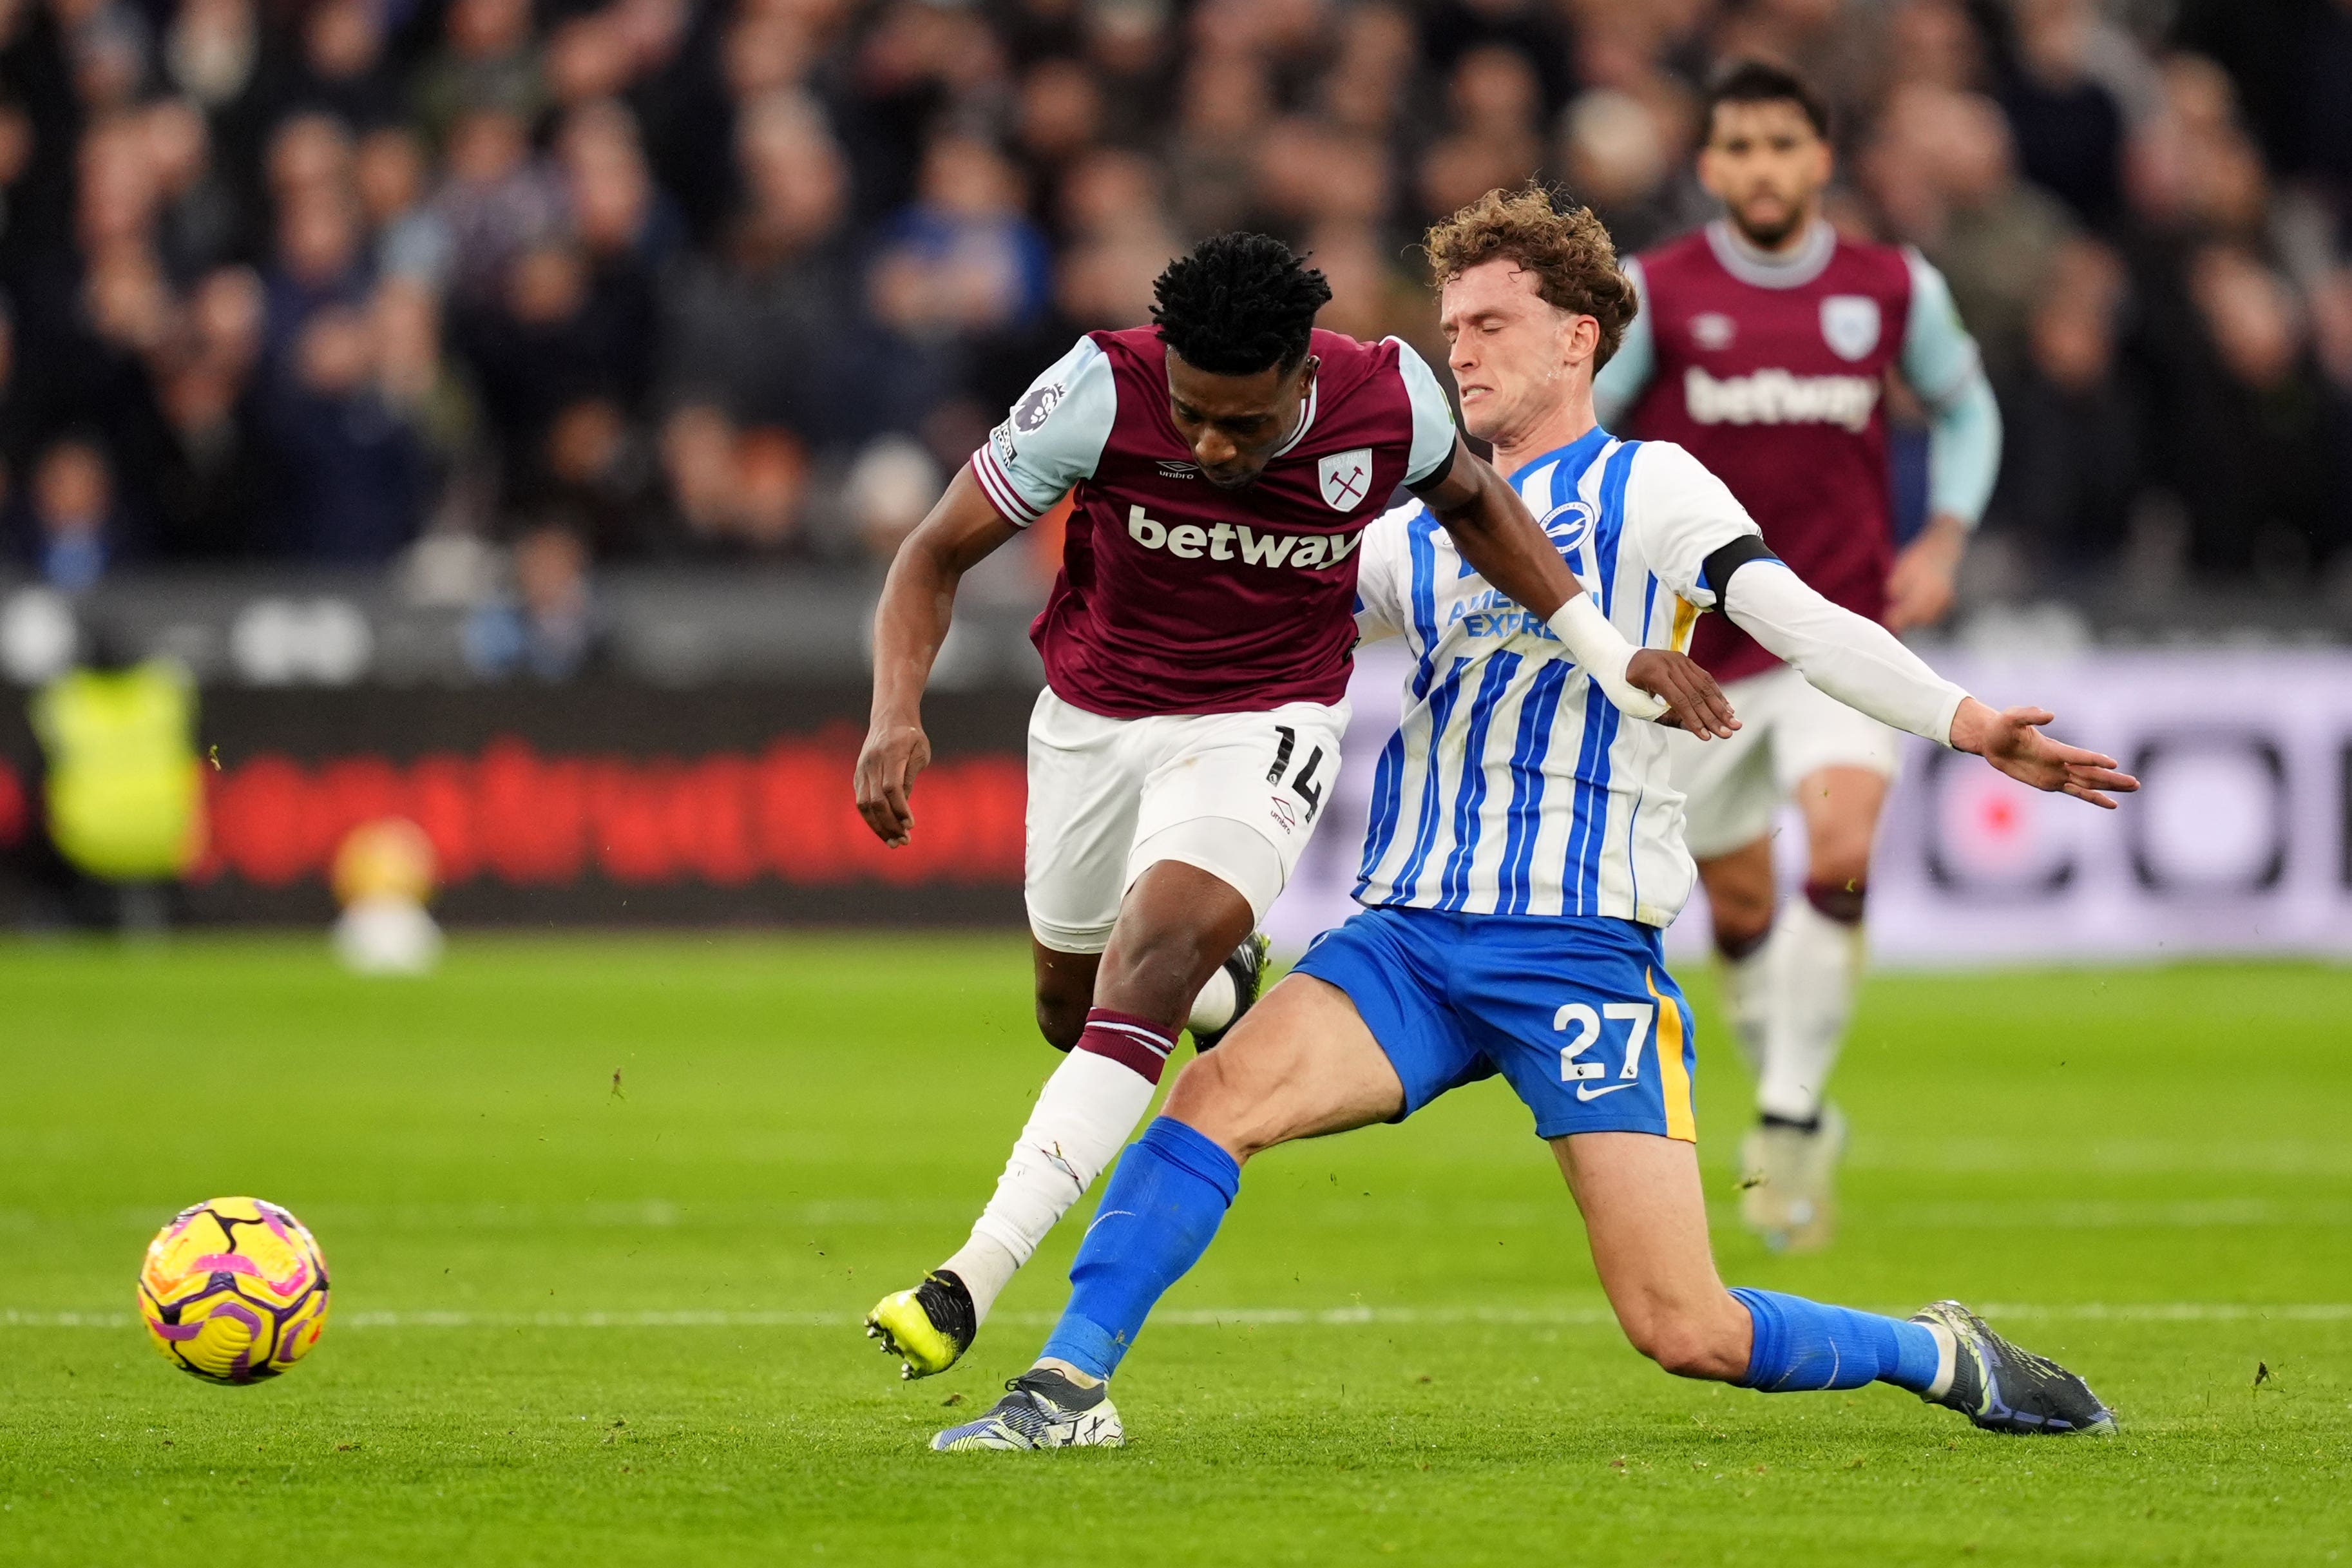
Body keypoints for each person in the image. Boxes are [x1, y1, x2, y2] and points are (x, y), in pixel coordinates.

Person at [931, 187, 2133, 1452]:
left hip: (1576, 947)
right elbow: (1248, 632)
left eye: (1492, 322)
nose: (1460, 350)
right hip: (1408, 938)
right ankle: (1066, 1386)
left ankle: (1939, 1350)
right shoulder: (1416, 530)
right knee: (1206, 1098)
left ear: (1579, 337)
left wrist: (1964, 720)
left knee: (1685, 1326)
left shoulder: (1650, 484)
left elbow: (1793, 617)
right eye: (1449, 326)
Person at [858, 230, 1733, 1381]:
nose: (1215, 445)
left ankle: (970, 1275)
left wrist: (1607, 650)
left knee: (1152, 962)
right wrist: (895, 711)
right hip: (1092, 721)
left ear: (1302, 379)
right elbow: (932, 553)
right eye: (1194, 417)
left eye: (1246, 423)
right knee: (1073, 1010)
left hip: (1266, 720)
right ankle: (1221, 978)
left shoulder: (1382, 397)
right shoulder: (1095, 389)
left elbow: (1480, 510)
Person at [1592, 62, 2007, 1252]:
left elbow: (1968, 410)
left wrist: (1944, 536)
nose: (1763, 166)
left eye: (1784, 144)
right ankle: (1793, 1090)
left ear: (1820, 159)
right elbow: (1584, 430)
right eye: (1740, 147)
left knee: (1840, 857)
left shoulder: (1890, 286)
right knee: (1735, 906)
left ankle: (1784, 1115)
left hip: (1841, 639)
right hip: (1700, 654)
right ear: (1711, 165)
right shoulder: (1659, 292)